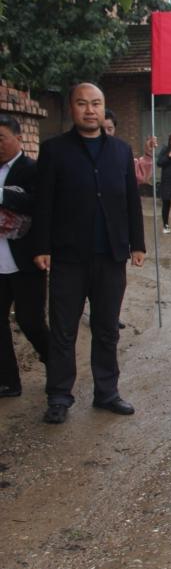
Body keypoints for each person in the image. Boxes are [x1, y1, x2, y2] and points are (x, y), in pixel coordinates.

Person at [33, 82, 146, 424]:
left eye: (95, 103)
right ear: (72, 108)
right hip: (68, 257)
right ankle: (59, 395)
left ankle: (107, 392)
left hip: (110, 255)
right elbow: (43, 203)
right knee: (64, 329)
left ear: (103, 107)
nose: (89, 110)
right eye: (82, 103)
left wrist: (137, 243)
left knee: (107, 327)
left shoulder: (120, 151)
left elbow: (131, 200)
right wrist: (41, 246)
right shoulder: (54, 150)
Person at [0, 115, 50, 398]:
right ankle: (8, 380)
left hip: (26, 259)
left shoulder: (32, 170)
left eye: (1, 139)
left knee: (30, 321)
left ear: (19, 138)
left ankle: (55, 364)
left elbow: (38, 204)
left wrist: (2, 194)